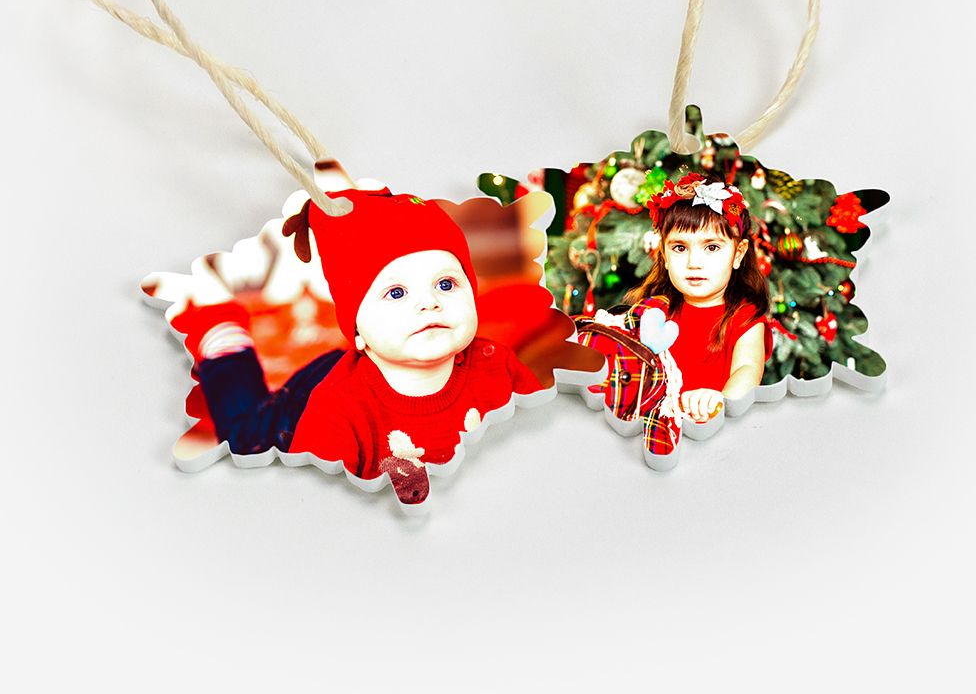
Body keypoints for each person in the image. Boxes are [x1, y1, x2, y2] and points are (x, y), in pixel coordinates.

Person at [176, 187, 543, 505]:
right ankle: (226, 344)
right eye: (396, 293)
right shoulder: (336, 413)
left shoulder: (495, 362)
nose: (430, 303)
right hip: (303, 408)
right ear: (358, 329)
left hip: (367, 358)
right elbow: (316, 498)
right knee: (248, 435)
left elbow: (536, 424)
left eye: (446, 284)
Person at [577, 172, 771, 458]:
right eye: (680, 248)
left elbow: (748, 370)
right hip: (648, 432)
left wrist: (720, 401)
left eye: (712, 247)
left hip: (711, 438)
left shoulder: (745, 317)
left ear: (738, 253)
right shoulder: (654, 310)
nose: (694, 262)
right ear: (665, 255)